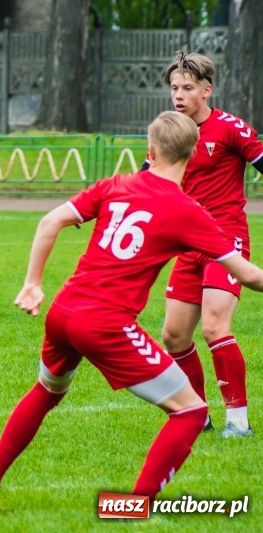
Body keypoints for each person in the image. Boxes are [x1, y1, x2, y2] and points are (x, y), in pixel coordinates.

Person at [0, 111, 263, 511]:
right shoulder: (187, 210)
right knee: (191, 411)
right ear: (192, 155)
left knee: (47, 391)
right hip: (104, 324)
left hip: (63, 310)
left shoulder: (116, 184)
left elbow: (50, 221)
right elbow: (248, 275)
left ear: (150, 150)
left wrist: (33, 284)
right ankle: (133, 506)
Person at [152, 51, 263, 438]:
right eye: (174, 88)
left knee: (215, 327)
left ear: (206, 90)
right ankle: (198, 414)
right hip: (188, 243)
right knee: (174, 336)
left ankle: (238, 422)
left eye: (186, 88)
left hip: (225, 238)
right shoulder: (170, 134)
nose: (178, 95)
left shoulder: (231, 128)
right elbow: (148, 183)